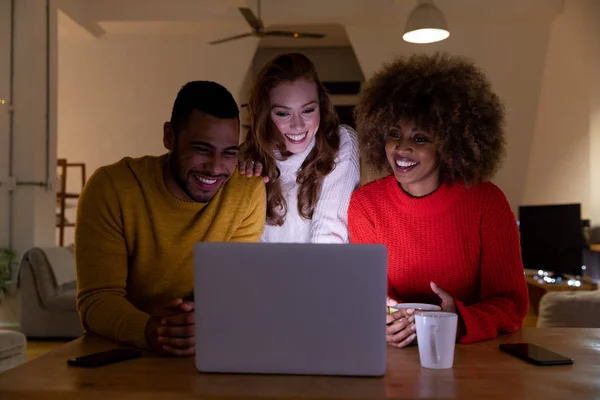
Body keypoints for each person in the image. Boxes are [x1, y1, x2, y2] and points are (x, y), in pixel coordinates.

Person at [348, 52, 529, 347]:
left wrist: (458, 321)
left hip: (474, 359)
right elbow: (371, 298)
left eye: (419, 138)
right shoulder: (366, 205)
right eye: (394, 134)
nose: (401, 148)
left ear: (450, 144)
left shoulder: (487, 203)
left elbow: (511, 305)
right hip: (398, 361)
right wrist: (382, 322)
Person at [75, 81, 266, 357]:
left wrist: (197, 321)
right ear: (169, 136)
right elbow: (96, 299)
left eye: (229, 153)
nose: (215, 167)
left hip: (204, 346)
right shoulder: (111, 187)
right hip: (122, 352)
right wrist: (151, 329)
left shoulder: (246, 190)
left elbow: (232, 292)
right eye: (202, 149)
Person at [239, 53, 360, 243]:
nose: (298, 125)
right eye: (283, 113)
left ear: (320, 105)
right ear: (265, 114)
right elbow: (247, 246)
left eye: (308, 110)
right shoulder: (247, 159)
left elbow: (328, 239)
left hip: (324, 271)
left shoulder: (340, 142)